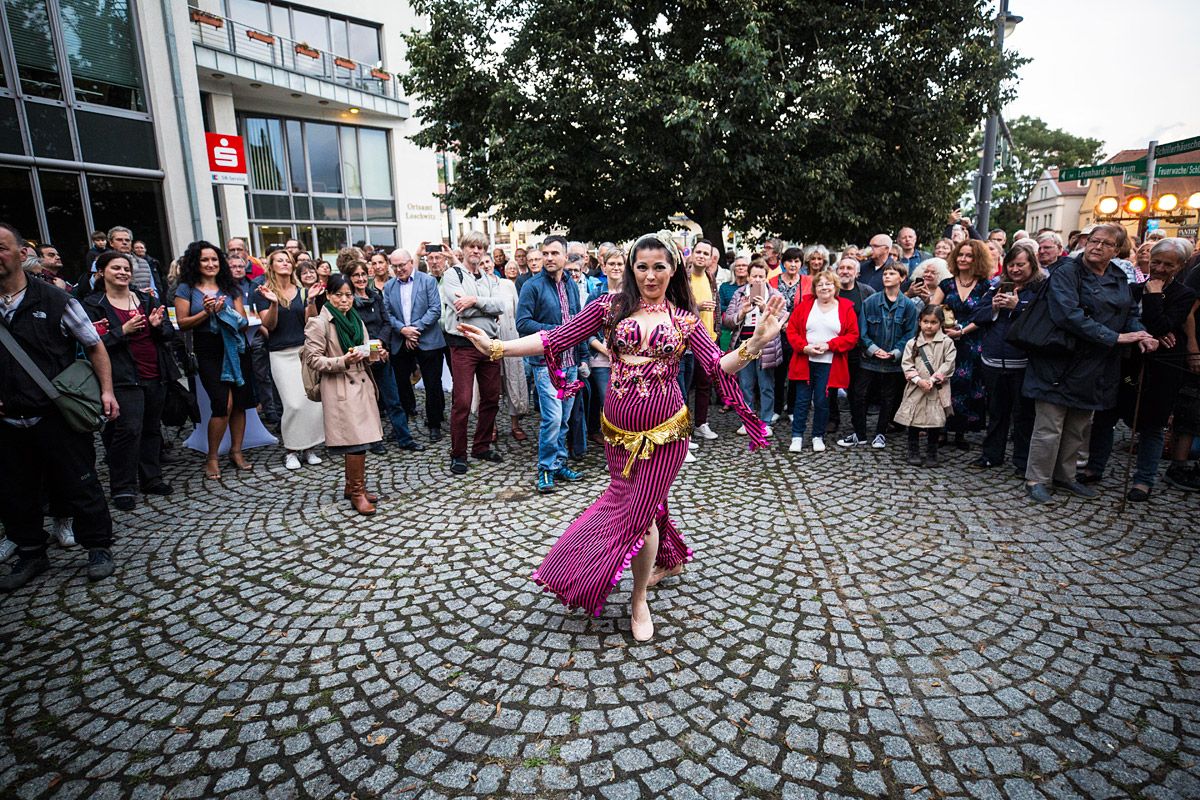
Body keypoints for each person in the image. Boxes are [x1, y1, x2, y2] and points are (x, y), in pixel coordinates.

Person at [456, 231, 781, 641]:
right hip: (617, 433)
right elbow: (553, 338)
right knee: (645, 503)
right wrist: (498, 347)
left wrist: (756, 342)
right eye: (642, 267)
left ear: (673, 269)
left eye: (659, 267)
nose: (650, 275)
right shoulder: (607, 308)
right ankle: (670, 558)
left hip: (666, 435)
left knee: (638, 516)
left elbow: (718, 365)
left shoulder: (685, 320)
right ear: (631, 268)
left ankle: (638, 597)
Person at [0, 223, 120, 590]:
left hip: (55, 412)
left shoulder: (55, 300)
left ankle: (98, 546)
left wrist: (107, 392)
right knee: (15, 491)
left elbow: (94, 345)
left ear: (22, 254)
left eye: (1, 247)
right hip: (7, 419)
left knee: (79, 482)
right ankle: (31, 551)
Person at [1023, 224, 1157, 504]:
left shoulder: (1118, 276)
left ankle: (1065, 475)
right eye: (1094, 241)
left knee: (1079, 425)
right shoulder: (1067, 272)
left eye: (1106, 243)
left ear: (1117, 250)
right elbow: (1067, 315)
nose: (1097, 247)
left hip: (1097, 365)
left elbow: (1129, 313)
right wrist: (1115, 337)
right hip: (1060, 359)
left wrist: (1140, 334)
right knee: (1050, 426)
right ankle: (1037, 479)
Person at [1079, 238, 1196, 501]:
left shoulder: (1184, 294)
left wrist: (1153, 297)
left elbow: (1163, 324)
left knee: (1153, 425)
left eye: (1168, 265)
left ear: (1180, 266)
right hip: (1127, 362)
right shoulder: (1132, 289)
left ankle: (1144, 480)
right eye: (1157, 262)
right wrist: (1152, 329)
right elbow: (1122, 321)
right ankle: (1094, 467)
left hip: (1162, 368)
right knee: (1106, 416)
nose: (1160, 268)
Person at [84, 250, 178, 510]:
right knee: (128, 430)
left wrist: (158, 326)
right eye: (116, 268)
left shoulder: (146, 299)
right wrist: (122, 331)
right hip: (122, 376)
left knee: (151, 428)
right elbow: (91, 343)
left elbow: (169, 333)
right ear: (101, 272)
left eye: (126, 268)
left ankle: (151, 478)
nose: (123, 272)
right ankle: (123, 487)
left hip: (155, 372)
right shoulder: (93, 304)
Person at [174, 241, 256, 479]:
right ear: (195, 263)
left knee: (239, 403)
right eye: (204, 260)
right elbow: (182, 323)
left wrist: (225, 312)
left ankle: (236, 451)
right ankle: (212, 457)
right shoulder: (186, 289)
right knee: (222, 404)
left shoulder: (231, 287)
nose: (210, 264)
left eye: (214, 259)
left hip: (237, 348)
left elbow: (243, 322)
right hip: (208, 350)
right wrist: (206, 312)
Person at [303, 274, 382, 515]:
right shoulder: (319, 323)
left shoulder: (356, 319)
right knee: (356, 442)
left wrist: (376, 354)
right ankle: (357, 492)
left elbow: (365, 352)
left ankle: (352, 487)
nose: (344, 300)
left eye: (348, 295)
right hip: (339, 385)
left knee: (361, 440)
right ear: (328, 295)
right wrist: (343, 360)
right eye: (339, 295)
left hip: (361, 384)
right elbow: (313, 359)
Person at [517, 235, 585, 490]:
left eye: (554, 253)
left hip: (570, 362)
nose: (548, 258)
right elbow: (522, 323)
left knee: (564, 419)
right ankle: (545, 469)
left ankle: (559, 463)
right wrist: (557, 331)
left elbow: (578, 322)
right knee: (552, 419)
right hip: (546, 364)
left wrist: (583, 357)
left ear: (565, 256)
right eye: (545, 253)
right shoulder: (532, 286)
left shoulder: (570, 284)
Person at [969, 245, 1039, 471]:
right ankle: (991, 455)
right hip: (993, 361)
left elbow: (1043, 319)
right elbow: (976, 315)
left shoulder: (1039, 289)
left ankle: (1022, 461)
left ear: (1032, 265)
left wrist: (1018, 307)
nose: (1015, 269)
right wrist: (993, 307)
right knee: (996, 412)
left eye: (1020, 265)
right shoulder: (995, 287)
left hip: (1022, 363)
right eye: (1011, 265)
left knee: (1023, 415)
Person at [442, 231, 505, 475]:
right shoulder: (453, 274)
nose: (476, 251)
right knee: (463, 402)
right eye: (471, 246)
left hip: (489, 345)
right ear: (463, 249)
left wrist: (474, 301)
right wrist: (485, 306)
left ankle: (481, 446)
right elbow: (462, 310)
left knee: (491, 398)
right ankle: (458, 454)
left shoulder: (490, 278)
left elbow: (501, 305)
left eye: (480, 247)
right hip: (463, 345)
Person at [256, 249, 325, 470]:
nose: (285, 263)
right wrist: (274, 304)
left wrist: (311, 300)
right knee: (292, 404)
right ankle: (291, 451)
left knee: (310, 402)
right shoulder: (264, 292)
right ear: (271, 266)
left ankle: (309, 448)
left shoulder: (302, 291)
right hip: (280, 353)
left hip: (304, 351)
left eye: (288, 260)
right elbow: (269, 326)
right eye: (280, 260)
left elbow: (311, 322)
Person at [345, 260, 422, 455]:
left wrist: (381, 344)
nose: (361, 279)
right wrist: (370, 349)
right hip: (361, 359)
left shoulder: (375, 296)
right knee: (369, 402)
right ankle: (374, 439)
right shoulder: (348, 302)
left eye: (363, 274)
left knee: (393, 399)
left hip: (381, 354)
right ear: (350, 278)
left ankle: (404, 438)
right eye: (356, 275)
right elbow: (351, 330)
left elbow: (387, 323)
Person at [838, 262, 916, 449]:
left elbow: (910, 334)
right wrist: (873, 349)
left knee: (888, 397)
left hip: (893, 361)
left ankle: (881, 433)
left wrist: (895, 352)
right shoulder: (870, 302)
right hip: (869, 359)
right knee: (859, 394)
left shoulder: (908, 306)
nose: (886, 276)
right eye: (885, 273)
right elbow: (861, 331)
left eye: (892, 274)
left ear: (902, 278)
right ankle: (860, 433)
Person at [786, 269, 858, 453]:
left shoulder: (845, 308)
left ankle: (818, 436)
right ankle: (797, 436)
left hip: (830, 364)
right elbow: (792, 330)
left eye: (828, 284)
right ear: (815, 288)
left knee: (822, 401)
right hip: (805, 361)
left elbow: (852, 336)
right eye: (820, 284)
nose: (824, 287)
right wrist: (804, 347)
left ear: (835, 286)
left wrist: (829, 345)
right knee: (802, 401)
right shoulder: (805, 306)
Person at [930, 239, 993, 448]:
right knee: (944, 383)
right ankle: (940, 430)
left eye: (969, 255)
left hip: (972, 342)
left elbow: (987, 315)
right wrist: (942, 329)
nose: (963, 259)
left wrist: (963, 331)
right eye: (960, 254)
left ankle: (961, 432)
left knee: (968, 386)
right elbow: (932, 309)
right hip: (946, 341)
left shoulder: (985, 286)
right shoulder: (946, 284)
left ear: (977, 259)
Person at [383, 248, 447, 442]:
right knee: (401, 385)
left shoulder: (427, 281)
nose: (399, 269)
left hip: (428, 340)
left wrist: (414, 330)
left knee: (432, 384)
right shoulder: (389, 286)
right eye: (395, 266)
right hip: (400, 340)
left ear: (411, 262)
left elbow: (435, 309)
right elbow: (387, 314)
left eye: (402, 265)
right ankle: (400, 425)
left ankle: (434, 424)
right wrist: (403, 330)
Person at [723, 261, 785, 434]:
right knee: (745, 385)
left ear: (766, 278)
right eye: (754, 276)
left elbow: (782, 318)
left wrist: (765, 308)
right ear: (748, 277)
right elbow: (728, 320)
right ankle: (748, 421)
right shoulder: (739, 293)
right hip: (744, 343)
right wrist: (742, 312)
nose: (757, 280)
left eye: (761, 276)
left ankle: (766, 422)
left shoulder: (774, 294)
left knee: (766, 385)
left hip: (766, 346)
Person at [895, 305, 956, 466]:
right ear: (920, 322)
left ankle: (932, 453)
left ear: (940, 323)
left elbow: (949, 364)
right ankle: (913, 451)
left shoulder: (947, 342)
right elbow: (907, 364)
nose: (929, 326)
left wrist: (933, 380)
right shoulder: (912, 343)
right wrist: (918, 380)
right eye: (926, 321)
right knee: (914, 420)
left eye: (933, 322)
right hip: (916, 388)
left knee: (934, 421)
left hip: (936, 389)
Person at [584, 248, 625, 444]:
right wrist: (606, 351)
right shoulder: (595, 294)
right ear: (604, 267)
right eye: (612, 264)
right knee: (607, 403)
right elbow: (585, 330)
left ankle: (625, 442)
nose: (616, 267)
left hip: (627, 360)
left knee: (625, 404)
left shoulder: (632, 295)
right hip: (601, 360)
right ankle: (613, 445)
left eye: (620, 264)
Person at [685, 239, 721, 444]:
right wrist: (697, 306)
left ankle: (700, 424)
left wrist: (716, 333)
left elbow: (717, 308)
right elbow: (676, 305)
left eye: (705, 254)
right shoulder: (683, 277)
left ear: (710, 259)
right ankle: (682, 431)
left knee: (704, 385)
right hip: (687, 341)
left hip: (708, 340)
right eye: (698, 252)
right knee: (682, 387)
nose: (701, 256)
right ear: (692, 254)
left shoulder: (710, 277)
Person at [496, 256, 530, 440]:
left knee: (514, 380)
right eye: (482, 263)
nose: (486, 266)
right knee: (492, 385)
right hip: (490, 339)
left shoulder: (507, 285)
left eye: (487, 262)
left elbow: (518, 312)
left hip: (510, 336)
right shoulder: (479, 287)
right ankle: (491, 425)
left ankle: (515, 424)